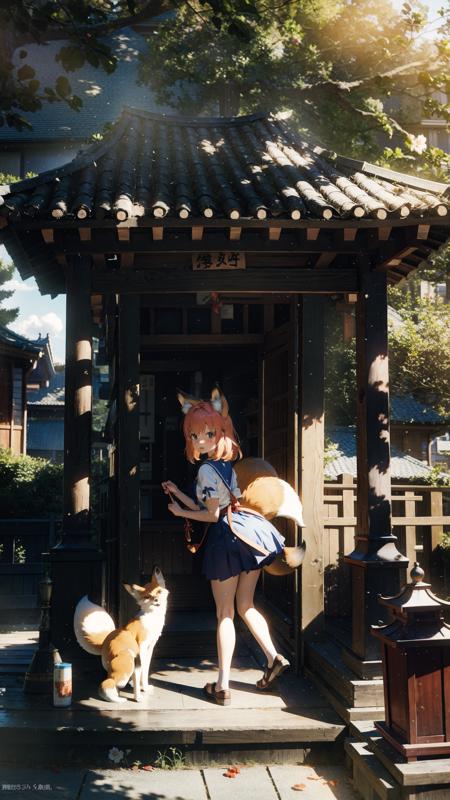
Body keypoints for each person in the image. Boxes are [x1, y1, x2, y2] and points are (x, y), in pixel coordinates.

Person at [161, 386, 289, 706]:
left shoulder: (205, 468)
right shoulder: (225, 467)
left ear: (221, 433)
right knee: (246, 606)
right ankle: (273, 656)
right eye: (194, 435)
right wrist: (178, 492)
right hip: (248, 535)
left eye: (206, 433)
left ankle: (222, 685)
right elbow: (216, 503)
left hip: (225, 540)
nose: (199, 440)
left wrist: (179, 511)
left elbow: (210, 514)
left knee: (225, 613)